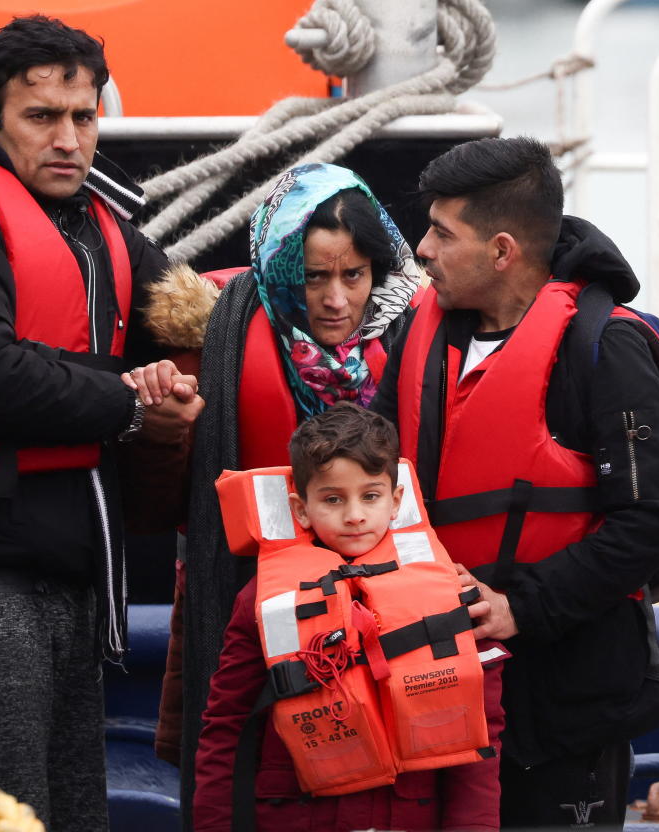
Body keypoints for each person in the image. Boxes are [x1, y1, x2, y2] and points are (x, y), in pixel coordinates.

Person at [0, 15, 202, 831]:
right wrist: (133, 401)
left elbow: (202, 327)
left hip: (66, 577)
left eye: (82, 116)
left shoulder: (97, 226)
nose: (67, 139)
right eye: (41, 117)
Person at [371, 136, 659, 829]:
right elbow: (369, 471)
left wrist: (525, 608)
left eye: (440, 232)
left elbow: (654, 521)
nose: (420, 249)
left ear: (502, 251)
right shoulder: (414, 337)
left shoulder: (606, 349)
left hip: (563, 705)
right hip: (431, 685)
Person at [130, 163, 423, 821]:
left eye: (354, 275)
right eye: (312, 277)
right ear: (279, 267)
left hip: (385, 626)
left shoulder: (418, 341)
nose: (336, 300)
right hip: (245, 623)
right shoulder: (211, 342)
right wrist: (160, 431)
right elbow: (154, 508)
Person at [192, 403, 504, 832]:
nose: (354, 514)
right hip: (296, 814)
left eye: (370, 496)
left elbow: (483, 734)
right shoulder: (260, 602)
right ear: (301, 510)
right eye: (333, 499)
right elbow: (226, 727)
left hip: (407, 815)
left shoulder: (449, 590)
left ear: (395, 502)